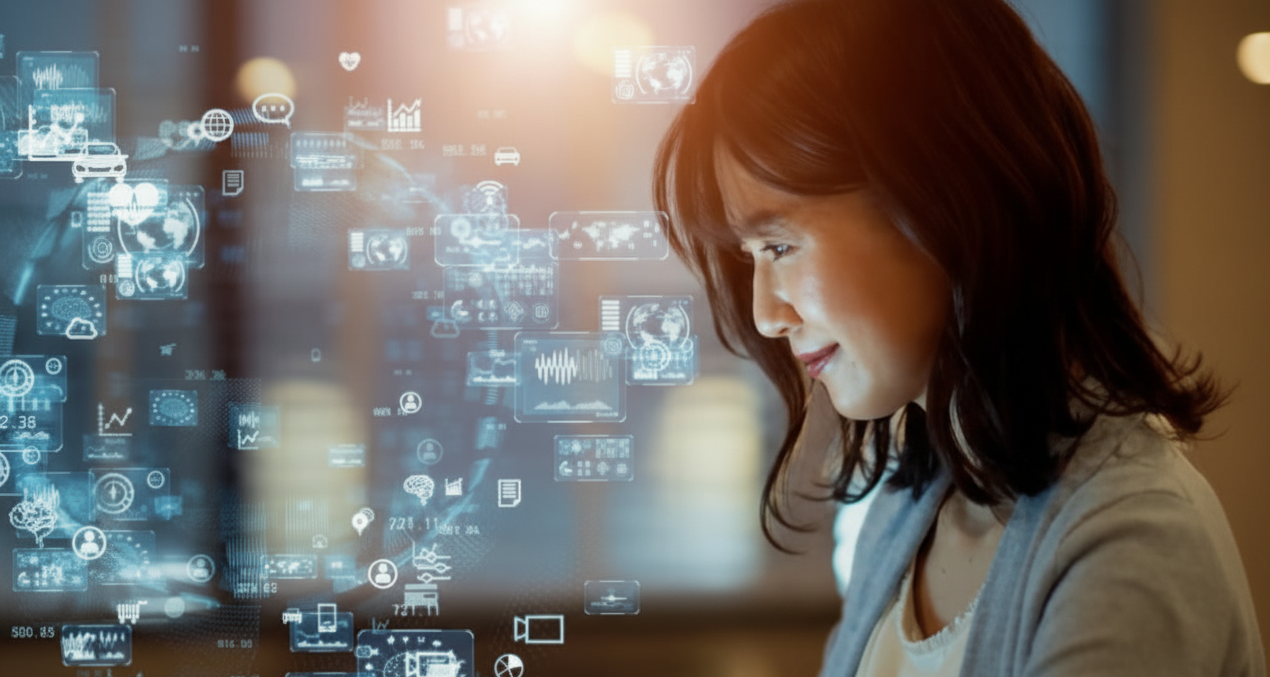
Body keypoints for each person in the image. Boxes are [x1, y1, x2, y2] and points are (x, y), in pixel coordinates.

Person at [651, 0, 1265, 675]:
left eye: (779, 244)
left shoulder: (1131, 536)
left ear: (935, 198)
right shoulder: (911, 501)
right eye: (749, 258)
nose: (767, 314)